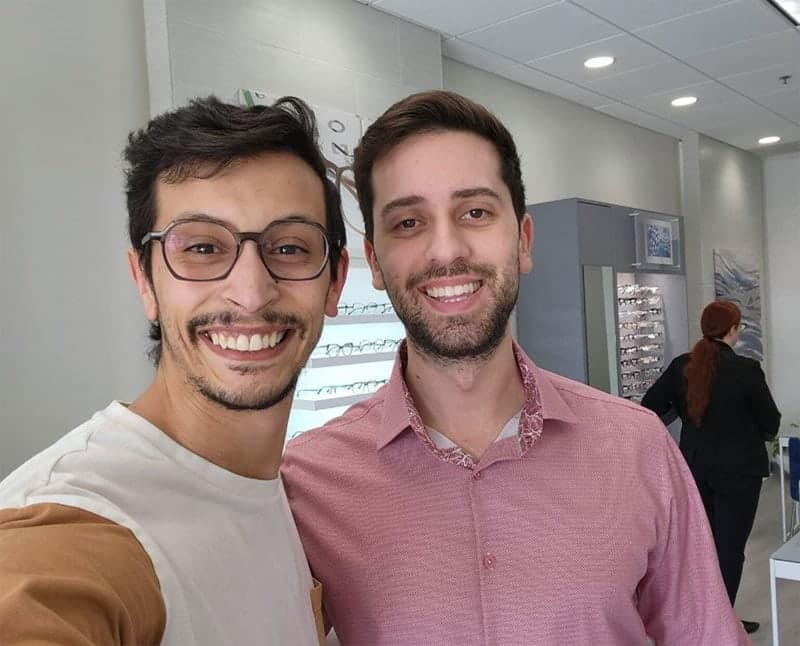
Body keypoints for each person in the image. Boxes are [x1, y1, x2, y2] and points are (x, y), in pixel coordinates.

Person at [281, 90, 749, 645]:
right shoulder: (309, 483)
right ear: (375, 261)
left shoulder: (637, 449)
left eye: (475, 212)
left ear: (522, 240)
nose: (445, 249)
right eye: (408, 222)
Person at [0, 96, 348, 644]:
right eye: (204, 247)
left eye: (289, 247)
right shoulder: (78, 522)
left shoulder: (279, 492)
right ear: (145, 281)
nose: (252, 291)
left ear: (334, 281)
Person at [642, 299, 781, 635]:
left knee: (698, 546)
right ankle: (719, 623)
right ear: (733, 330)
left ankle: (700, 620)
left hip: (694, 468)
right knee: (729, 549)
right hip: (739, 473)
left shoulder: (681, 366)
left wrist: (686, 420)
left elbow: (649, 408)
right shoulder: (747, 370)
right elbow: (770, 423)